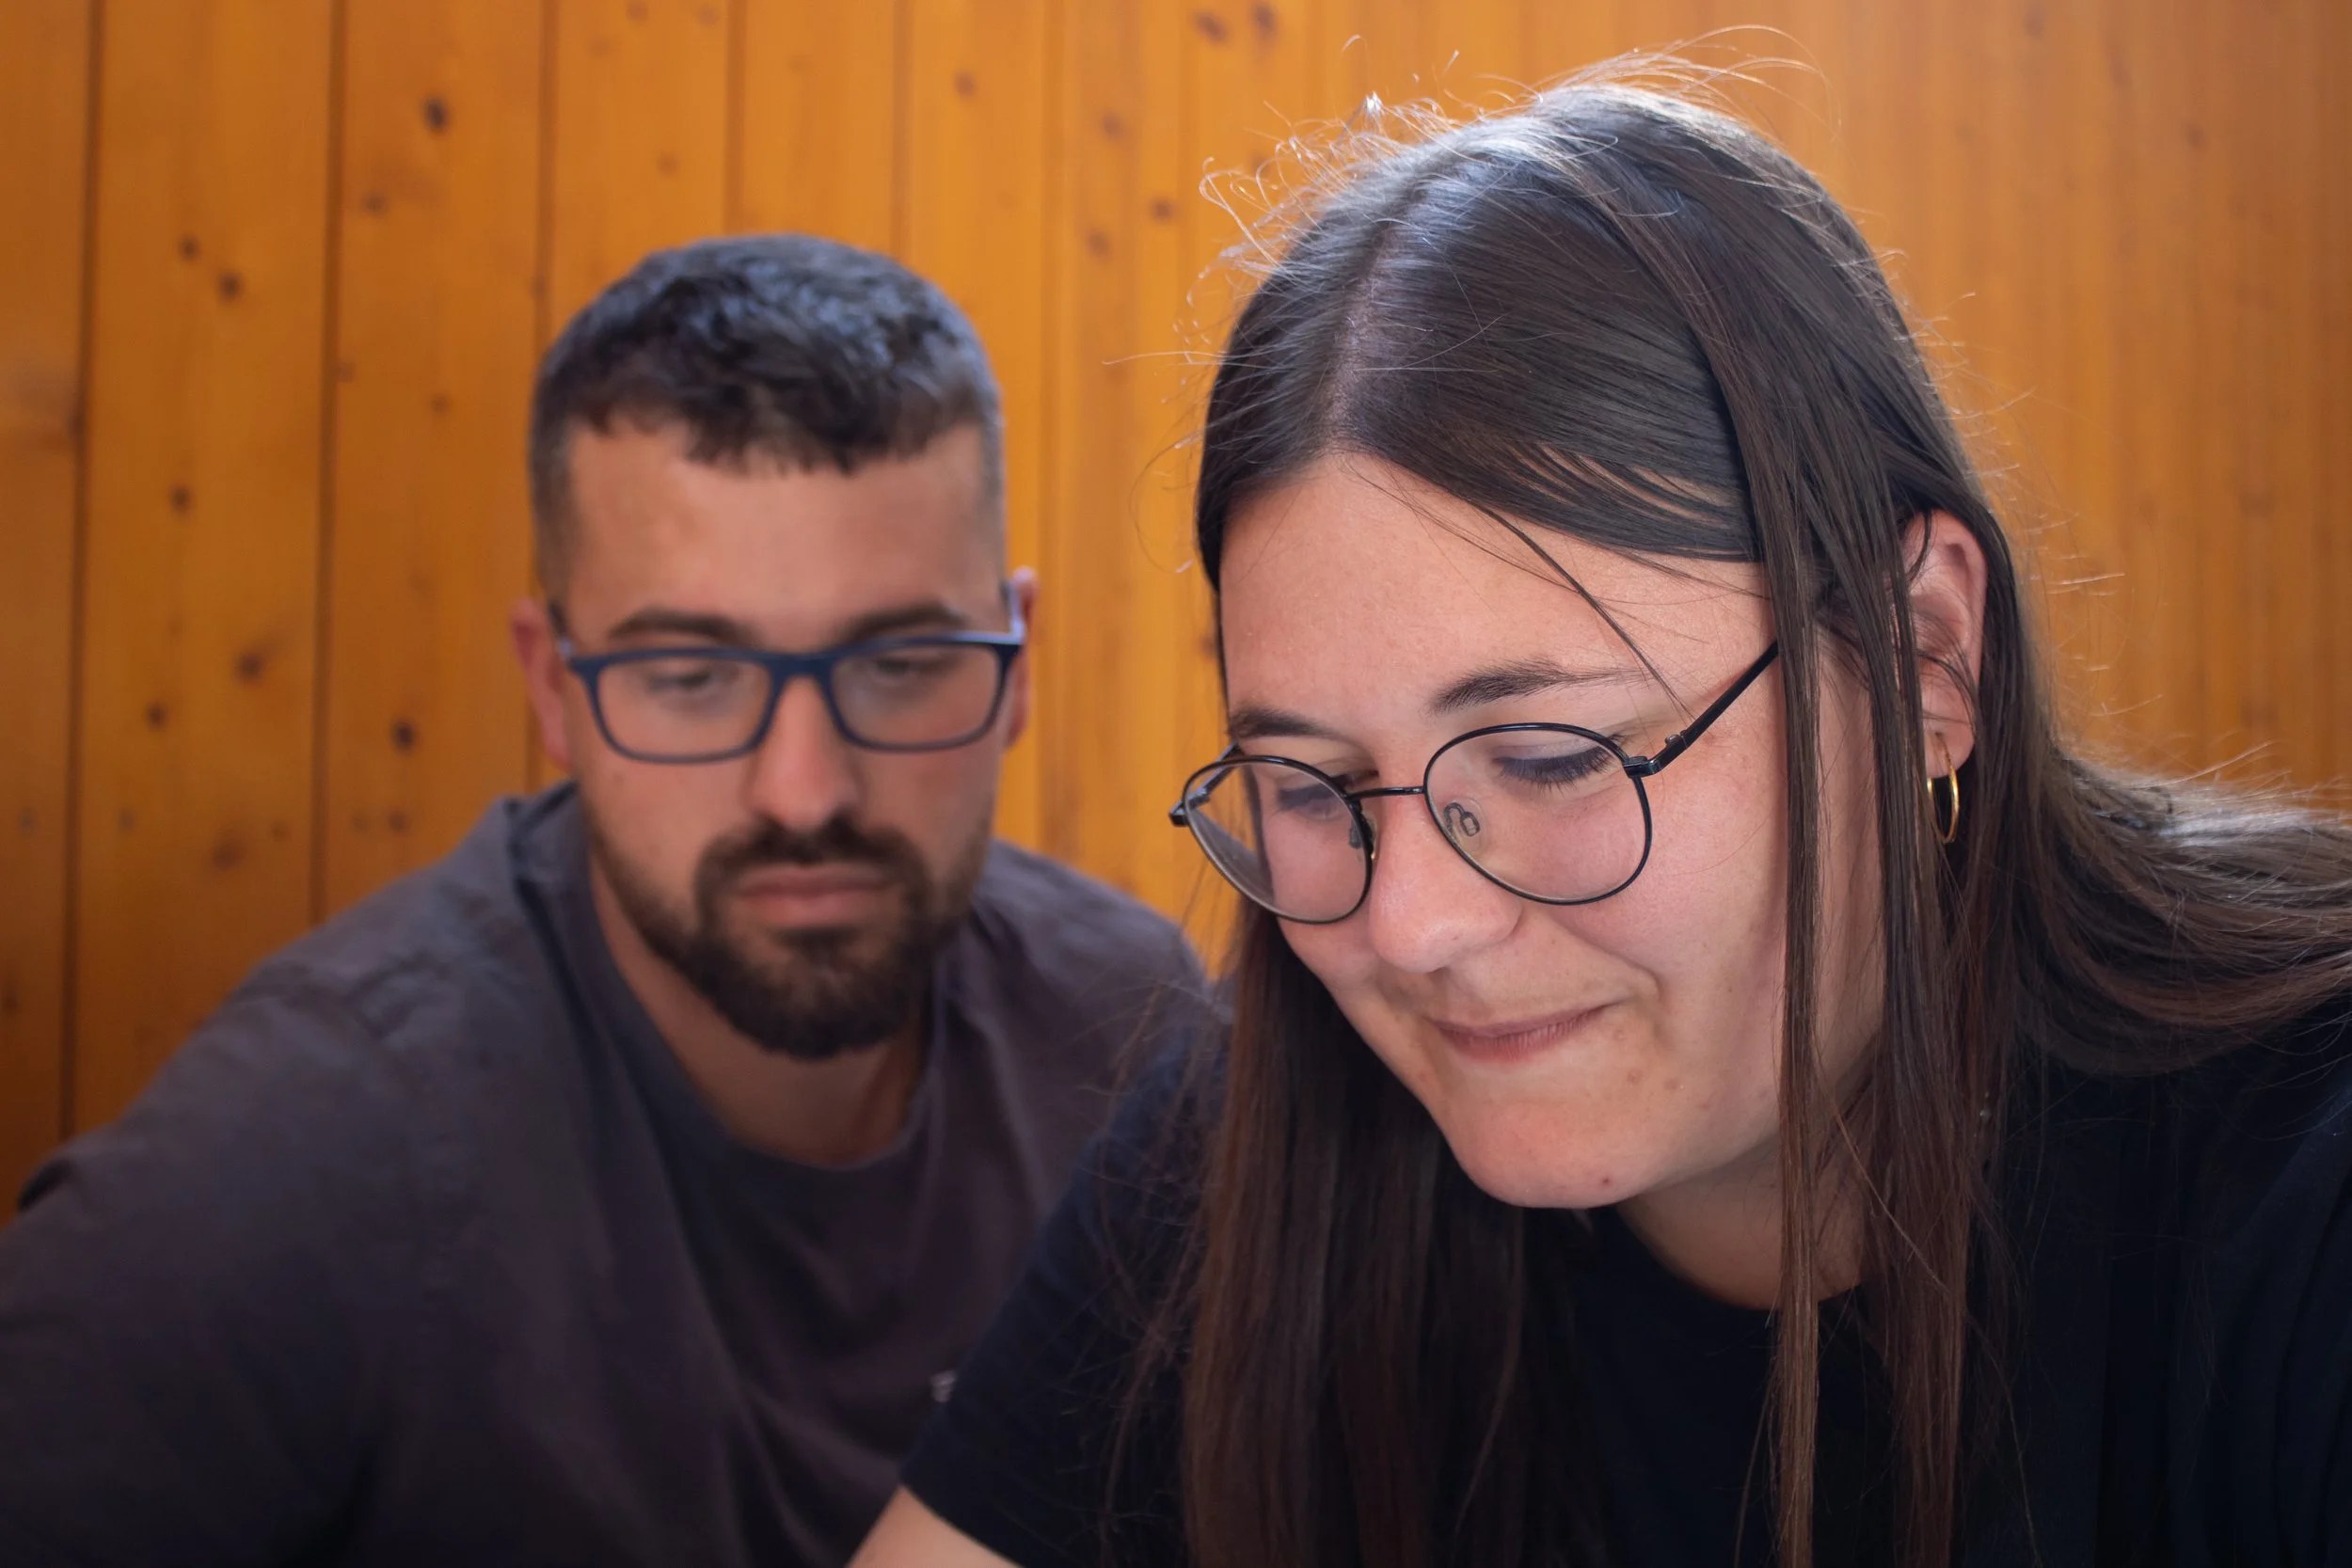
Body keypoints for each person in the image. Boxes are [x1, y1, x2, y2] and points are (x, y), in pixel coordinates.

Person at [850, 82, 2352, 1568]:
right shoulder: (1260, 1143)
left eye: (1552, 756)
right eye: (1310, 784)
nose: (1410, 925)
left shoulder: (2301, 1170)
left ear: (1925, 659)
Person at [0, 235, 1203, 1567]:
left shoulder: (1134, 1042)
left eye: (902, 663)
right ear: (553, 684)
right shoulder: (310, 1149)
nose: (803, 790)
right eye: (689, 676)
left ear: (1016, 664)